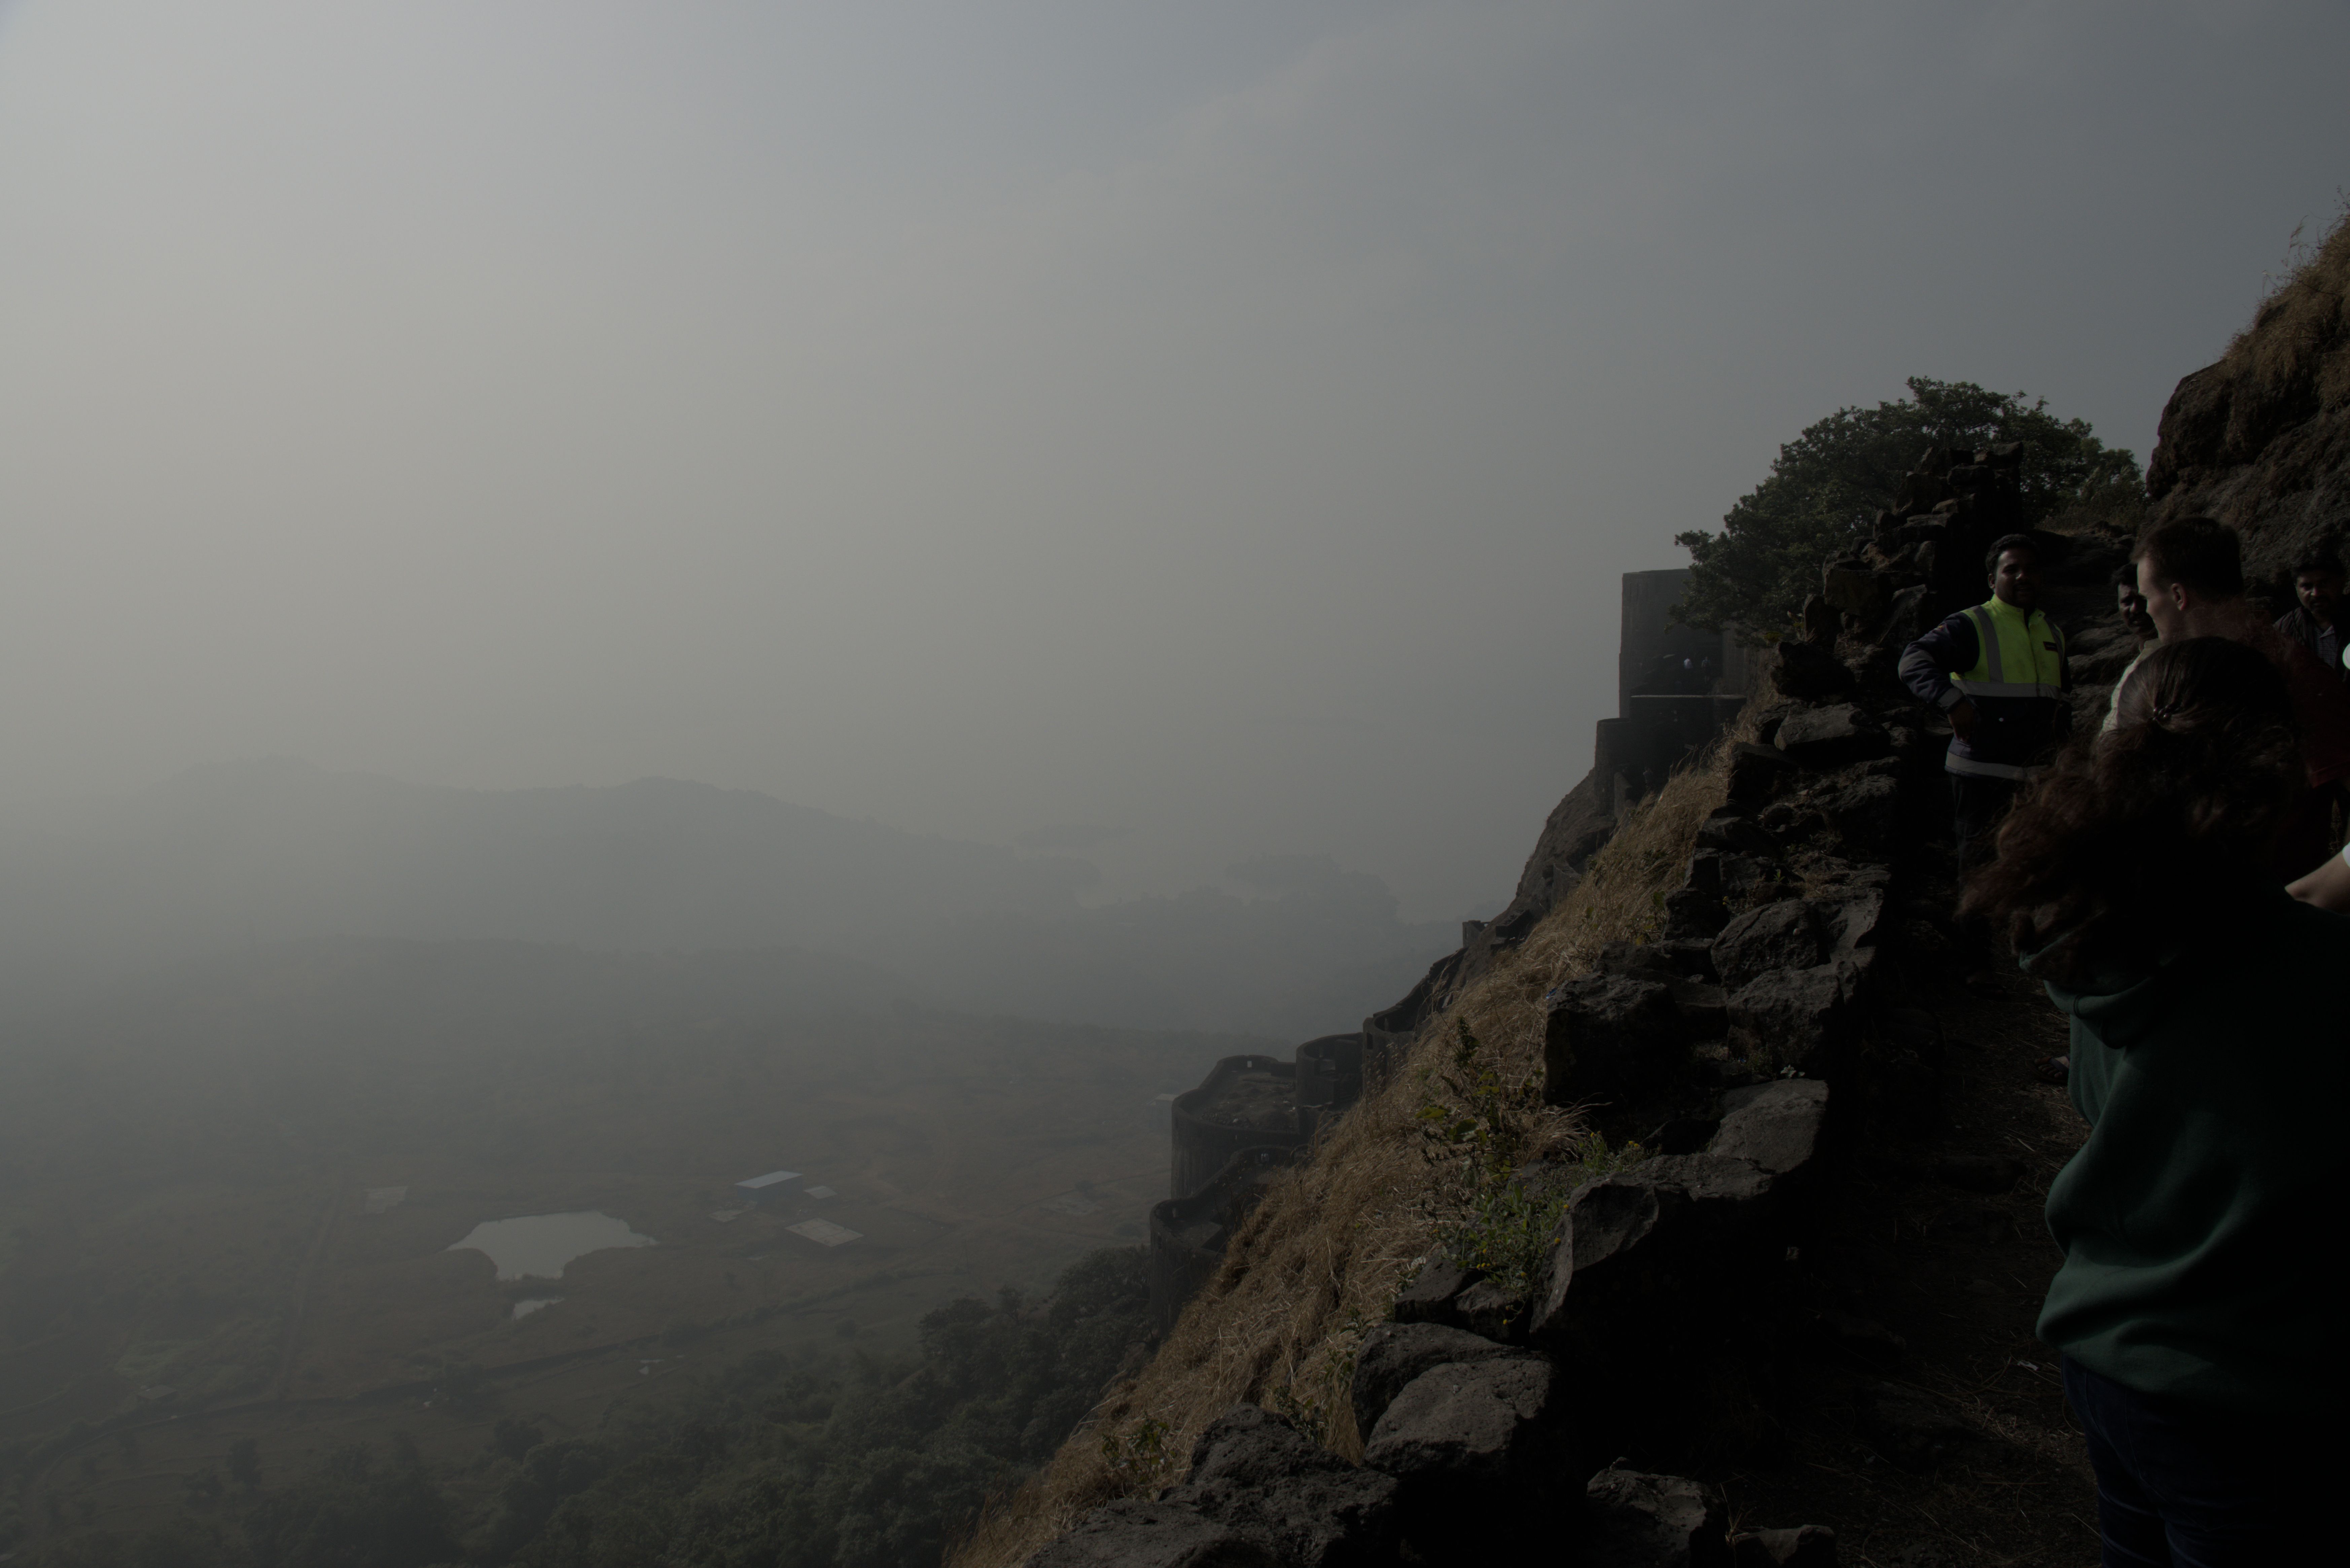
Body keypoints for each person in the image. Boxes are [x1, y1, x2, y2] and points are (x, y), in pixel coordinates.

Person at [1961, 637, 2343, 1563]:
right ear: (2277, 775)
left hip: (2105, 1352)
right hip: (2243, 1387)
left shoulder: (2095, 943)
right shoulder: (2307, 972)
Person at [1898, 531, 2071, 989]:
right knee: (1976, 869)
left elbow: (2061, 703)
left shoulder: (2053, 633)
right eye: (2011, 569)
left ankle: (2033, 955)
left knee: (2038, 865)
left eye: (2030, 569)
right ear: (1993, 579)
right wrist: (1952, 701)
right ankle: (1973, 964)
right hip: (1980, 772)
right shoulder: (1973, 624)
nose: (2022, 577)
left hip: (2036, 778)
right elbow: (1914, 659)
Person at [2134, 516, 2350, 877]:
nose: (2145, 612)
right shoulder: (2180, 673)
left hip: (2274, 900)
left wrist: (2318, 897)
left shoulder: (2298, 677)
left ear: (2178, 596)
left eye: (2147, 598)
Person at [2274, 545, 2347, 684]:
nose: (2316, 593)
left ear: (2342, 581)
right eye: (2307, 587)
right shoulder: (2285, 629)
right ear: (2296, 588)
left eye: (2324, 584)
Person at [2099, 562, 2158, 732]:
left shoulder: (2172, 658)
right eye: (2127, 601)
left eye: (2143, 599)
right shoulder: (2139, 661)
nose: (2135, 609)